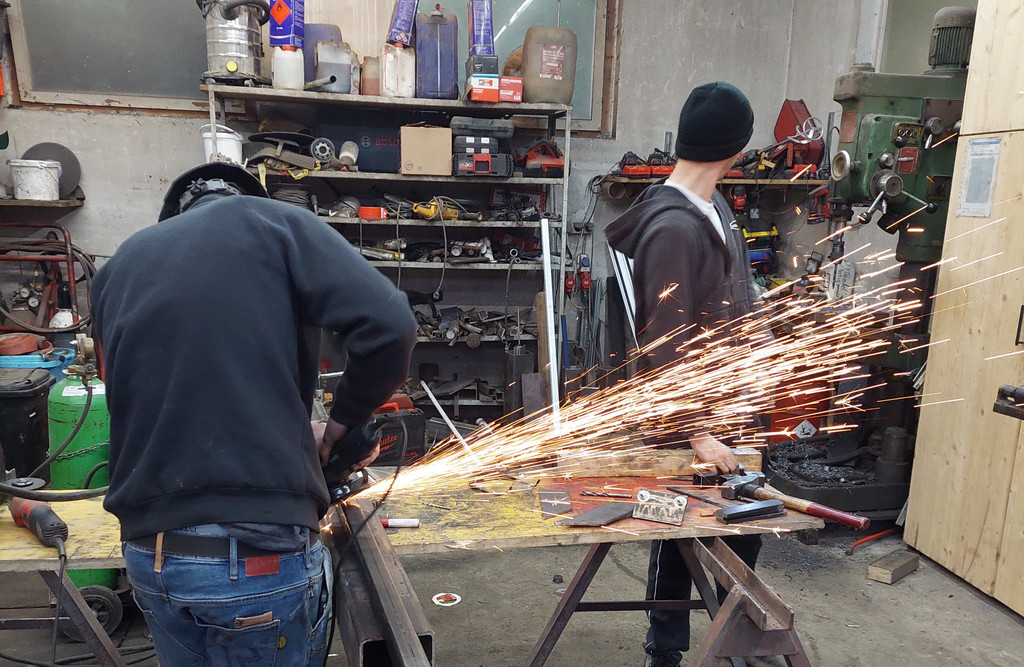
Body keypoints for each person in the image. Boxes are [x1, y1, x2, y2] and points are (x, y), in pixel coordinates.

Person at [90, 163, 416, 666]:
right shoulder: (278, 226)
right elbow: (391, 325)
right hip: (253, 554)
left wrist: (290, 429)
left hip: (151, 557)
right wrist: (340, 424)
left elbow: (130, 394)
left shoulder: (118, 267)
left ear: (175, 213)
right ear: (248, 198)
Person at [605, 82, 762, 667]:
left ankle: (735, 641)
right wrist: (697, 432)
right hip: (689, 424)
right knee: (678, 537)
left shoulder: (717, 211)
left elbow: (739, 297)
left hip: (729, 409)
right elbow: (664, 344)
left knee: (743, 530)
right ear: (736, 150)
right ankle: (666, 651)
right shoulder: (673, 228)